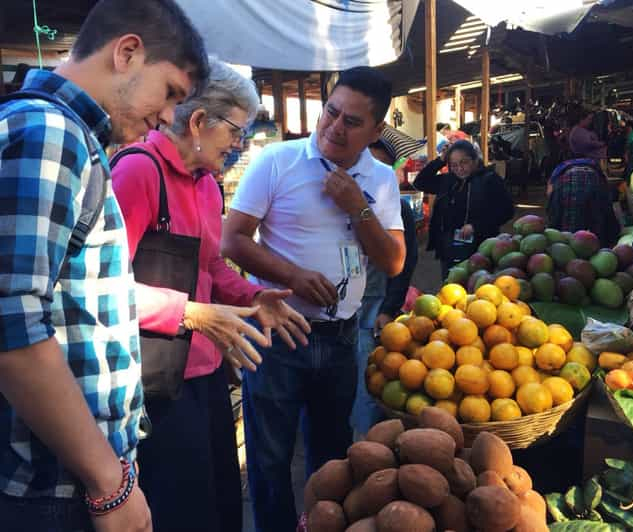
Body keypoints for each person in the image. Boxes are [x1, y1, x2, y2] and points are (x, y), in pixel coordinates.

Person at [0, 1, 209, 531]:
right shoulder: (51, 133)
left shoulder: (59, 133)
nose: (168, 118)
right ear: (128, 52)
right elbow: (13, 328)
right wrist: (109, 485)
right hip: (52, 488)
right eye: (170, 94)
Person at [111, 59, 310, 532]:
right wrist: (193, 314)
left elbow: (212, 264)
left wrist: (252, 297)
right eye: (237, 132)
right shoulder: (138, 173)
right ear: (200, 122)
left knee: (220, 502)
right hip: (153, 383)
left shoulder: (205, 185)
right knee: (179, 509)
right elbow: (102, 290)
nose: (240, 145)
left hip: (205, 374)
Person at [222, 66, 406, 532]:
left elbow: (394, 261)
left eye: (352, 121)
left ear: (376, 130)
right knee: (269, 459)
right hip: (278, 334)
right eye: (331, 112)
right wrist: (294, 277)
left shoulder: (381, 179)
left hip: (342, 338)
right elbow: (234, 240)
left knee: (333, 459)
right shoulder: (277, 161)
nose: (334, 127)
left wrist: (356, 206)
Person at [350, 138, 419, 437]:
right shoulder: (337, 197)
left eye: (379, 165)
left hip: (373, 304)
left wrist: (390, 308)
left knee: (367, 379)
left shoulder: (398, 207)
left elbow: (407, 261)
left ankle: (364, 445)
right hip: (336, 305)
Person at [413, 140, 514, 279]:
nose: (459, 168)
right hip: (450, 249)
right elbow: (420, 182)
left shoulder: (490, 180)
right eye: (453, 165)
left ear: (474, 160)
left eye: (464, 162)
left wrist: (476, 226)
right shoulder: (448, 180)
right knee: (451, 289)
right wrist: (440, 160)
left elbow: (507, 210)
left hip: (481, 249)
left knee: (477, 290)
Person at [547, 158, 620, 247]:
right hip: (593, 179)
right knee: (598, 217)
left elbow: (551, 199)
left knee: (562, 221)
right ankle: (597, 245)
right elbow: (607, 207)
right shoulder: (597, 167)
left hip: (565, 183)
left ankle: (566, 246)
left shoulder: (559, 170)